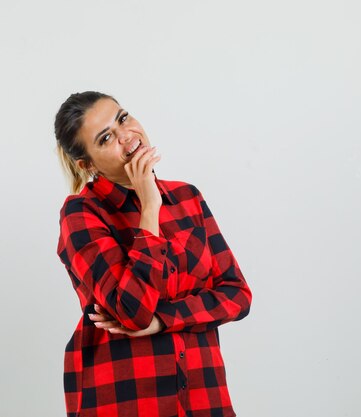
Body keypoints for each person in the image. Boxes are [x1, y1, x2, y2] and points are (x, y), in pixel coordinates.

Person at [54, 91, 252, 417]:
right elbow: (133, 312)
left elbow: (237, 294)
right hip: (126, 400)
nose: (126, 136)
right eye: (106, 138)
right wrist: (149, 207)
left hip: (205, 399)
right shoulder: (81, 214)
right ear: (87, 164)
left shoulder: (188, 197)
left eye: (123, 118)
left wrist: (163, 320)